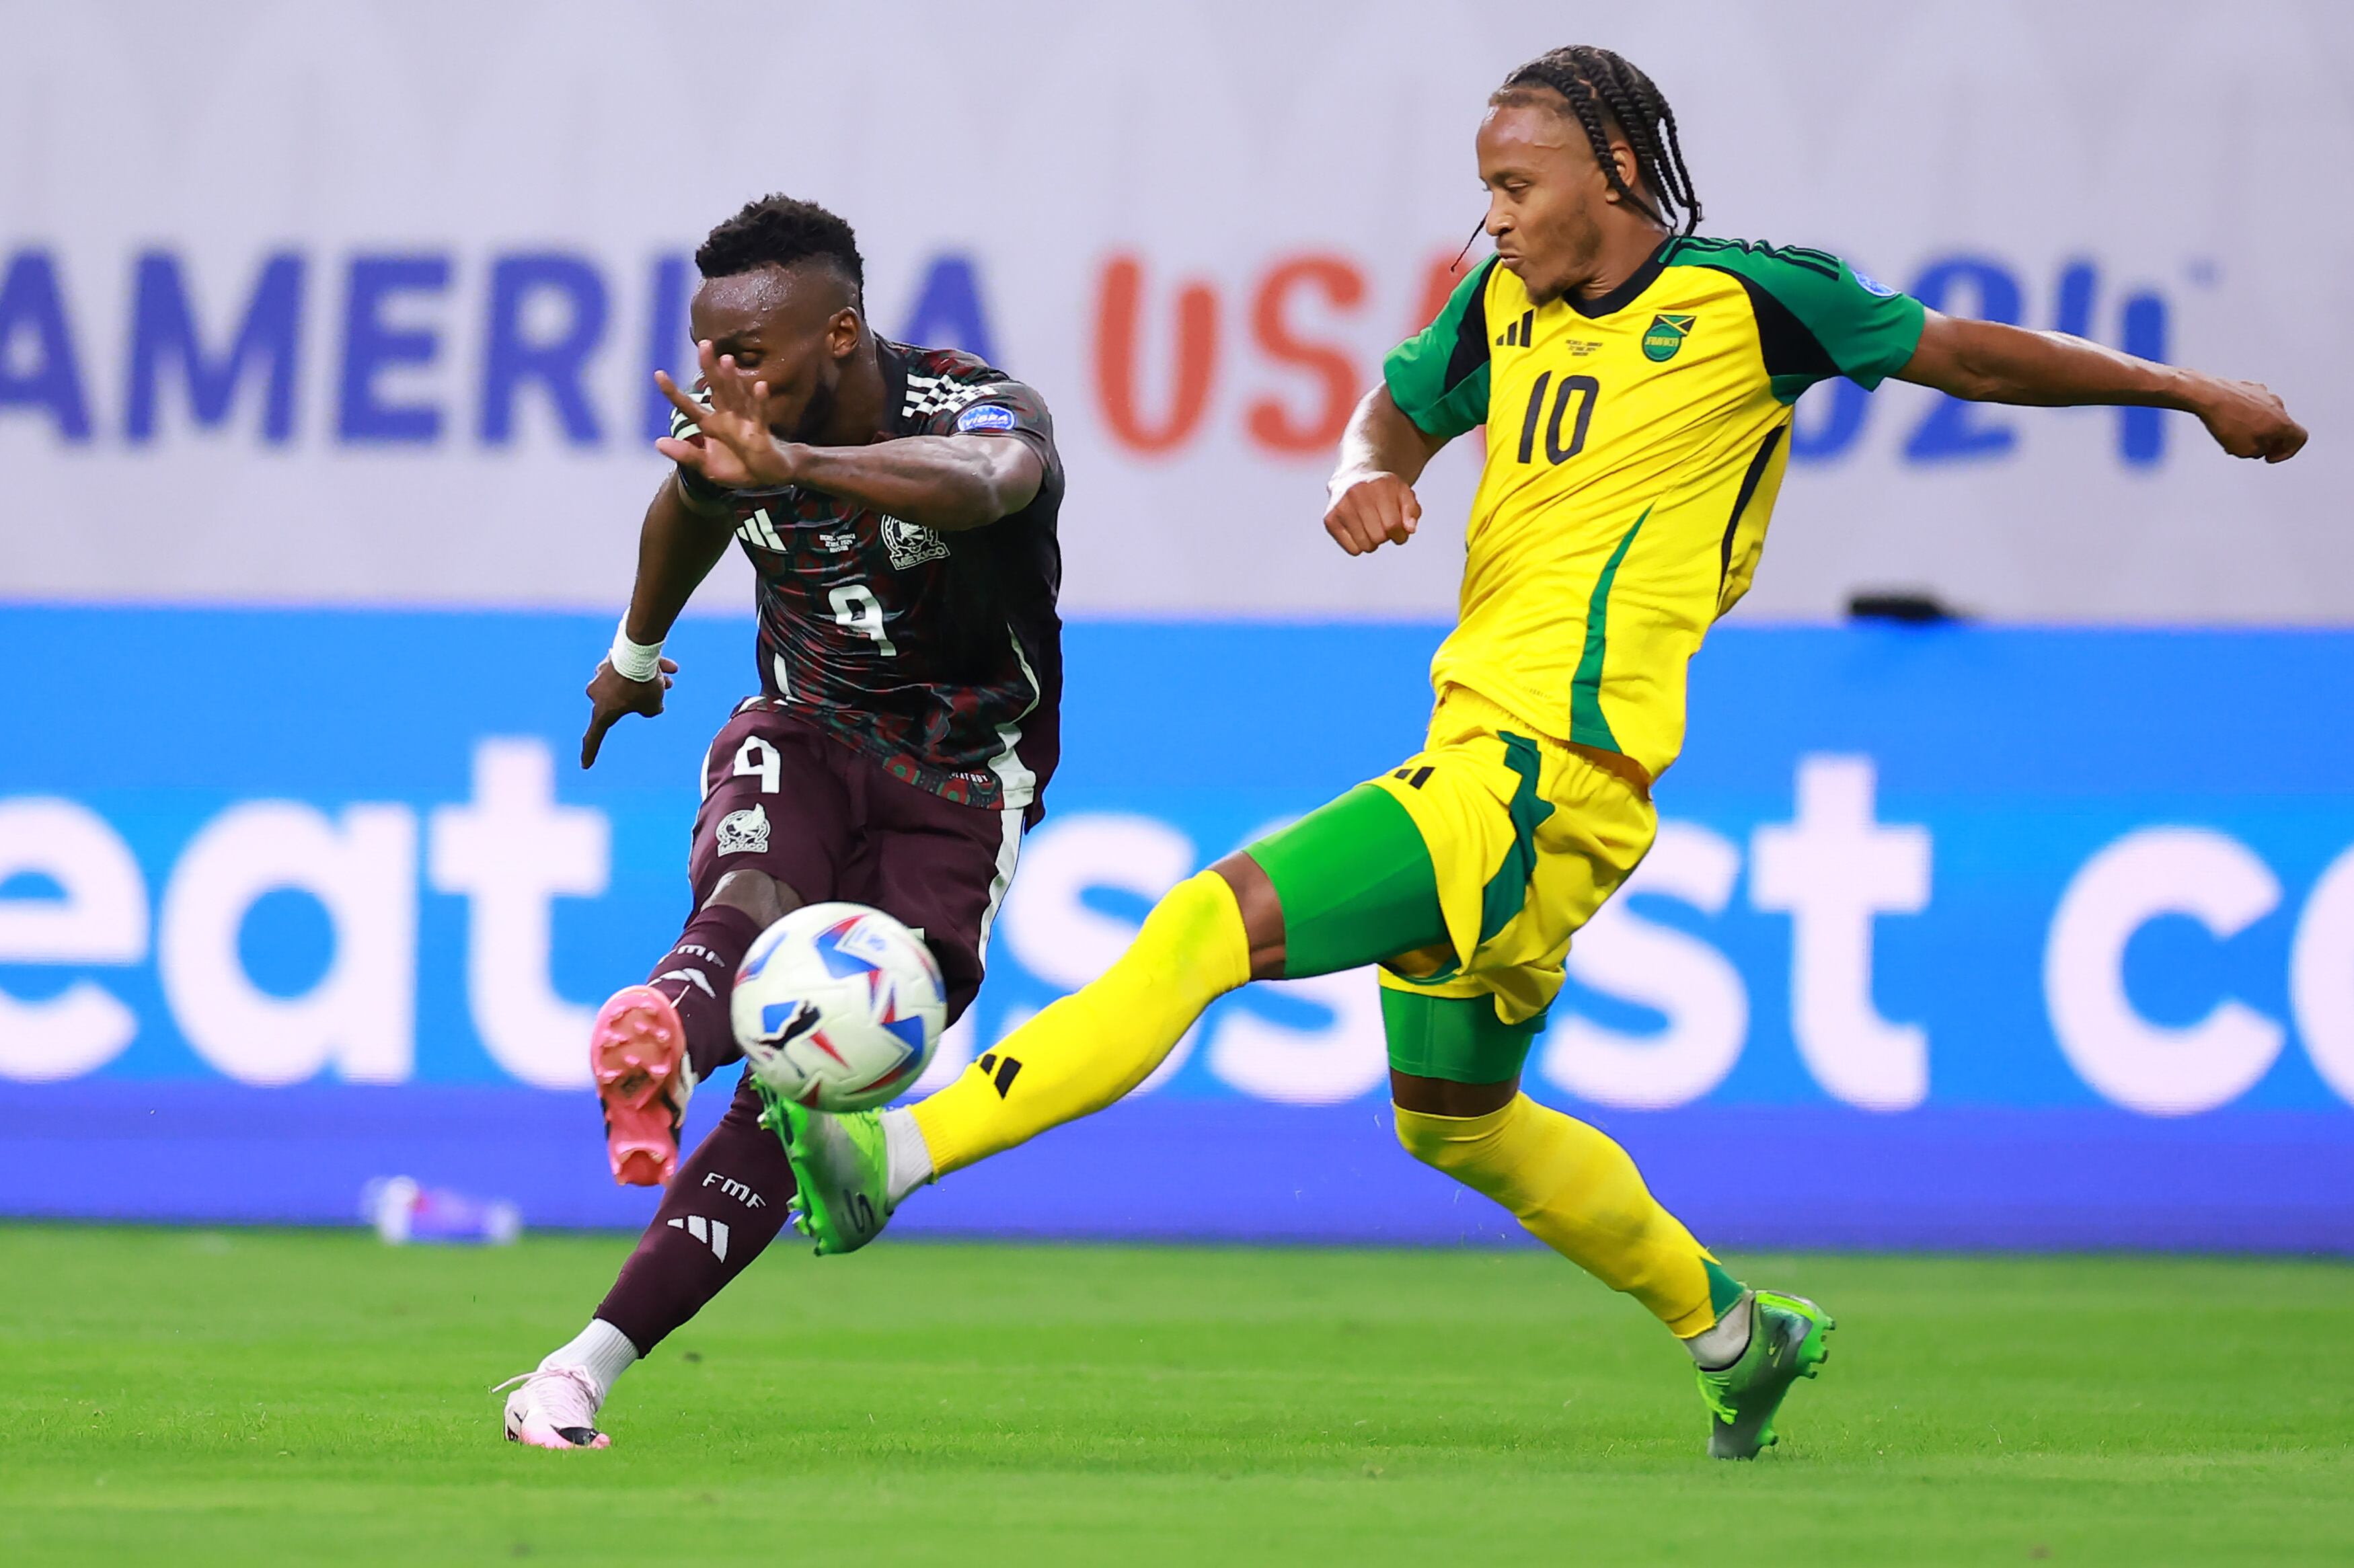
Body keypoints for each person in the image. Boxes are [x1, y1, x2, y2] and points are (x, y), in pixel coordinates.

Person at [783, 45, 2306, 1458]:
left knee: (1202, 921)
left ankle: (897, 1157)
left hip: (1542, 766)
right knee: (1460, 1123)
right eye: (1486, 189)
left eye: (1516, 186)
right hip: (1504, 768)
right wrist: (1363, 479)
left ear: (1618, 174)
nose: (1492, 219)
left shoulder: (1757, 299)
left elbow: (1969, 354)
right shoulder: (1495, 309)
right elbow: (1387, 413)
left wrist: (2186, 390)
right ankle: (1738, 1330)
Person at [495, 194, 1067, 1450]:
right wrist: (636, 655)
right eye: (705, 350)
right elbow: (687, 516)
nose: (718, 378)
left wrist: (792, 468)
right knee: (745, 905)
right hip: (805, 731)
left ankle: (580, 1366)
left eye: (746, 353)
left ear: (843, 336)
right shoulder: (733, 441)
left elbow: (993, 485)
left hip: (963, 791)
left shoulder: (974, 409)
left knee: (805, 1098)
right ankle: (663, 1043)